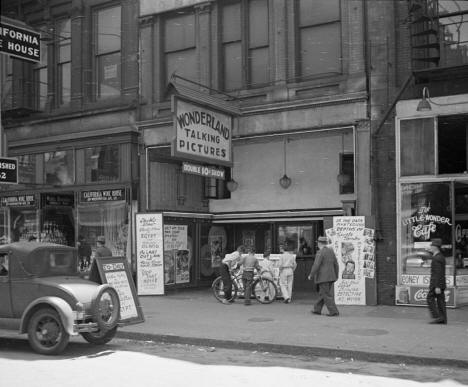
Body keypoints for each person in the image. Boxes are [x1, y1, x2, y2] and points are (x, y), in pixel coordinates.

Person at [308, 236, 339, 316]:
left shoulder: (320, 252)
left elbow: (316, 265)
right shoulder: (331, 251)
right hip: (331, 276)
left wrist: (311, 274)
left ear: (319, 243)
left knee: (326, 295)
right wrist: (336, 275)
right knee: (323, 294)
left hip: (323, 277)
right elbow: (336, 264)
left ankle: (334, 311)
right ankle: (317, 309)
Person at [427, 238, 447, 324]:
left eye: (431, 245)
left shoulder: (437, 258)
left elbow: (438, 273)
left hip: (436, 283)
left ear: (435, 247)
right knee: (440, 301)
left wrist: (437, 286)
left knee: (430, 298)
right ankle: (443, 319)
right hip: (441, 283)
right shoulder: (440, 256)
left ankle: (437, 317)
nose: (430, 247)